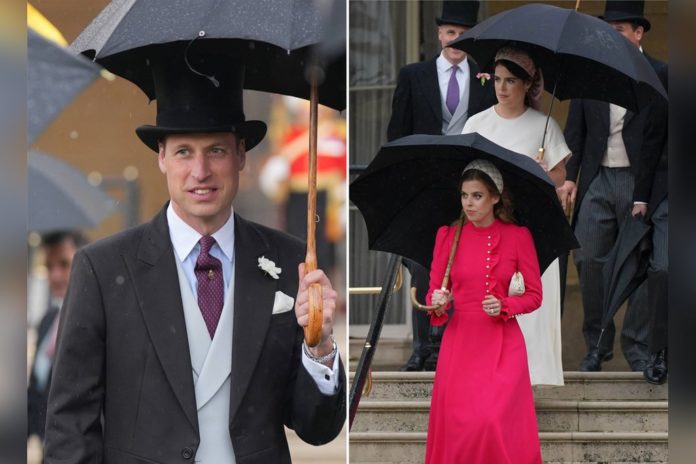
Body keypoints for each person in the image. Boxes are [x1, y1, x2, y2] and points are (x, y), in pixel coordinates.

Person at [44, 54, 346, 463]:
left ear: (241, 154)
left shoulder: (291, 261)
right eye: (184, 151)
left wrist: (320, 346)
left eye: (216, 150)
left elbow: (317, 428)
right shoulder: (103, 269)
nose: (200, 171)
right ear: (161, 157)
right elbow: (70, 427)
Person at [387, 0, 496, 371]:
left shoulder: (486, 77)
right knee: (422, 262)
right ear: (438, 34)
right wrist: (400, 184)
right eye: (450, 32)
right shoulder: (413, 75)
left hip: (470, 180)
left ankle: (455, 345)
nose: (456, 40)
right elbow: (396, 134)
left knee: (466, 262)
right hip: (423, 182)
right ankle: (422, 347)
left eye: (464, 34)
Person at [560, 0, 668, 372]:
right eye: (608, 28)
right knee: (588, 259)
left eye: (619, 29)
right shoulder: (591, 72)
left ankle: (636, 345)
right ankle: (597, 342)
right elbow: (576, 129)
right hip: (598, 179)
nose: (612, 35)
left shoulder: (661, 74)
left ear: (638, 33)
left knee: (643, 265)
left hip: (644, 183)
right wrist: (571, 176)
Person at [462, 46, 570, 386]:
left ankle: (532, 376)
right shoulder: (476, 124)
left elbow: (559, 176)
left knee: (529, 305)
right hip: (488, 228)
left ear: (527, 85)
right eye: (497, 80)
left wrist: (541, 172)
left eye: (511, 81)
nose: (502, 88)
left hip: (531, 228)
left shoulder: (545, 125)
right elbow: (463, 172)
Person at [424, 160, 543, 463]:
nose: (469, 203)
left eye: (477, 196)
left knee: (490, 422)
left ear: (494, 197)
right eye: (464, 195)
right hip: (460, 342)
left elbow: (534, 295)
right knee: (459, 429)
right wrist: (438, 300)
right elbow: (434, 297)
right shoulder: (447, 236)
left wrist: (505, 305)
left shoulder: (518, 237)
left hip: (502, 344)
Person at [28, 231, 87, 442]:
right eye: (49, 267)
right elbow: (37, 389)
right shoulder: (48, 319)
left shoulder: (97, 322)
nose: (55, 276)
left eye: (64, 264)